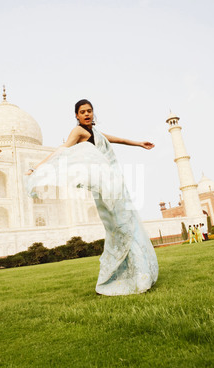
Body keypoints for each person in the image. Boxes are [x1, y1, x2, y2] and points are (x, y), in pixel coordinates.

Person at [24, 99, 158, 296]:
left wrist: (138, 143)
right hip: (105, 188)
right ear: (76, 116)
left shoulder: (96, 133)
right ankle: (122, 277)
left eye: (89, 111)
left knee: (128, 225)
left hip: (114, 184)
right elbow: (62, 150)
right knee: (120, 228)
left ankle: (140, 274)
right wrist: (37, 167)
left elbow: (116, 140)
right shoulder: (78, 132)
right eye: (82, 112)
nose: (87, 114)